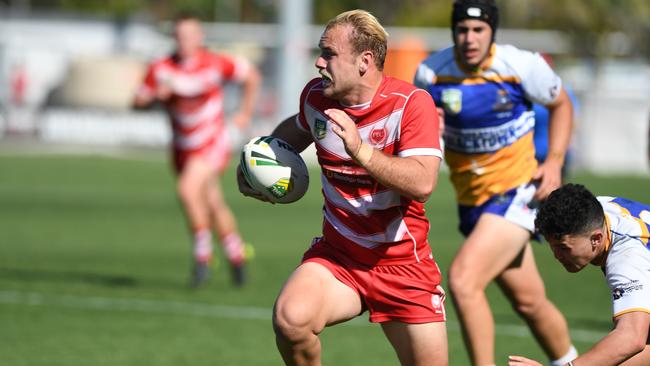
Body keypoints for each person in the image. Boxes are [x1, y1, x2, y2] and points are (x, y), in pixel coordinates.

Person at [238, 10, 448, 366]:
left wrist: (361, 150)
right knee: (291, 319)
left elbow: (423, 182)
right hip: (341, 258)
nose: (319, 62)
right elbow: (299, 125)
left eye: (329, 53)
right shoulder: (317, 97)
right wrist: (258, 162)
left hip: (401, 266)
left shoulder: (411, 105)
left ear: (364, 61)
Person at [414, 1, 577, 365]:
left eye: (478, 30)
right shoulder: (430, 73)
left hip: (518, 192)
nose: (469, 38)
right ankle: (571, 361)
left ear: (492, 33)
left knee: (463, 280)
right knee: (529, 301)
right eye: (462, 30)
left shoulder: (521, 66)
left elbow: (562, 104)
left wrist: (554, 162)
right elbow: (419, 129)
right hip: (472, 204)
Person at [133, 14, 261, 287]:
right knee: (212, 203)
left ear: (200, 36)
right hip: (182, 148)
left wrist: (245, 113)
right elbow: (137, 101)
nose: (185, 41)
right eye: (179, 36)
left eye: (190, 35)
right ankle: (236, 255)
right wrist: (156, 98)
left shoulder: (215, 63)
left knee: (187, 190)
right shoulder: (161, 69)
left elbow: (251, 75)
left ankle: (203, 256)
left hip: (212, 142)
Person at [509, 183, 650, 366]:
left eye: (563, 248)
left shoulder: (627, 258)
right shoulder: (595, 211)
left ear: (596, 239)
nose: (557, 256)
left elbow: (632, 337)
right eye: (552, 247)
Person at [532, 53, 579, 177]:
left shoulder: (563, 93)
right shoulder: (528, 93)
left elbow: (572, 120)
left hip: (556, 156)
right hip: (533, 156)